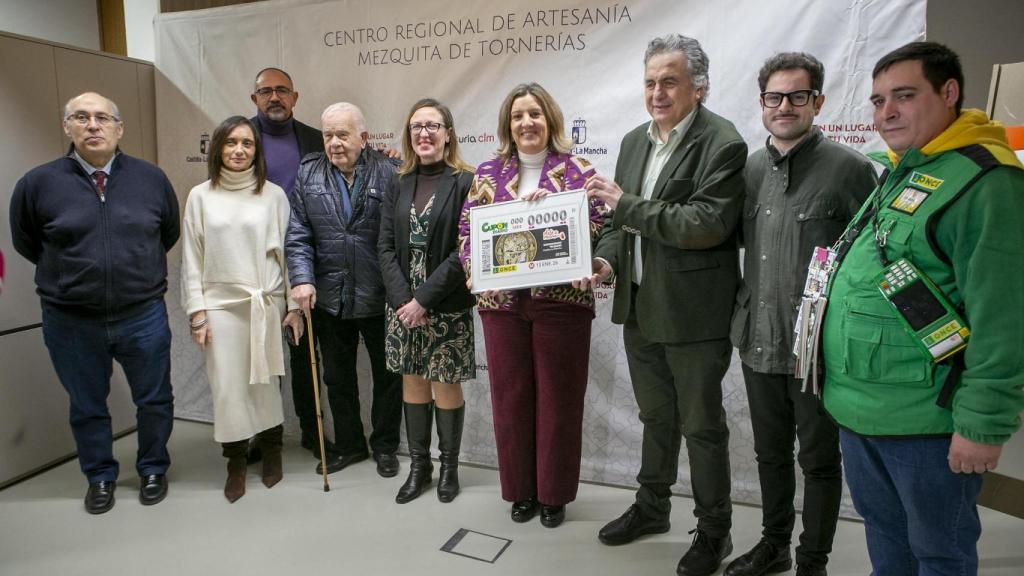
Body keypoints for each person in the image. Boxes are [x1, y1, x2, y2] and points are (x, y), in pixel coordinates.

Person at [821, 41, 1024, 576]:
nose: (886, 112)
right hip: (861, 412)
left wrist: (982, 425)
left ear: (949, 92)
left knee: (938, 554)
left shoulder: (986, 181)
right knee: (888, 543)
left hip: (926, 422)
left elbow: (1005, 318)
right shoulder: (902, 169)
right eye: (878, 100)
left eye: (904, 96)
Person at [582, 34, 746, 576]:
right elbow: (616, 225)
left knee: (701, 427)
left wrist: (626, 204)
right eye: (651, 82)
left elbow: (706, 224)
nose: (657, 92)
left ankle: (714, 531)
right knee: (656, 417)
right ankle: (652, 507)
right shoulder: (634, 141)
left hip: (694, 315)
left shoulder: (723, 142)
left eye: (669, 82)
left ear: (699, 87)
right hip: (640, 307)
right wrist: (605, 262)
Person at [724, 53, 876, 576]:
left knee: (818, 460)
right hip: (758, 339)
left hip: (817, 350)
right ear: (762, 103)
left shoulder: (851, 169)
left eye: (797, 96)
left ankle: (813, 561)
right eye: (775, 96)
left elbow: (870, 262)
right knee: (769, 454)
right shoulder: (748, 169)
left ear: (818, 102)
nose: (784, 106)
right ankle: (774, 547)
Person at [9, 92, 178, 514]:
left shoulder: (151, 179)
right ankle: (100, 476)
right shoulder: (37, 183)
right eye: (81, 117)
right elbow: (27, 242)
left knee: (155, 399)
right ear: (67, 127)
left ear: (119, 128)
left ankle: (153, 467)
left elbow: (167, 233)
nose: (93, 125)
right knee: (86, 405)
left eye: (102, 117)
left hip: (142, 313)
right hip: (71, 320)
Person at [458, 82, 604, 528]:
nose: (527, 123)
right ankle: (521, 491)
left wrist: (552, 210)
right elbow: (467, 231)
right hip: (501, 305)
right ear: (508, 124)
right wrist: (473, 269)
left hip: (562, 303)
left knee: (559, 401)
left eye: (535, 114)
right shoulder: (487, 173)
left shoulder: (578, 170)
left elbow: (600, 223)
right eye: (518, 115)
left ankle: (554, 495)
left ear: (549, 119)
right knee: (511, 400)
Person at [180, 115, 303, 502]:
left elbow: (289, 255)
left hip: (265, 302)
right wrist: (197, 313)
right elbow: (191, 258)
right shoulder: (200, 196)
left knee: (265, 385)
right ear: (218, 148)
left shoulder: (273, 195)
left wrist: (294, 307)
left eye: (247, 143)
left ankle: (271, 453)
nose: (239, 150)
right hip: (220, 307)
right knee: (228, 388)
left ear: (256, 150)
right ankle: (235, 461)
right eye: (231, 142)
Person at [286, 102, 403, 478]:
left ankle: (385, 446)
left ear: (364, 137)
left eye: (342, 134)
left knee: (388, 378)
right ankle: (350, 444)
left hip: (380, 295)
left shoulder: (391, 170)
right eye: (328, 135)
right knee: (337, 378)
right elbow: (298, 233)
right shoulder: (308, 172)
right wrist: (301, 279)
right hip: (330, 296)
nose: (334, 143)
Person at [379, 98, 476, 504]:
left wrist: (424, 299)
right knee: (413, 381)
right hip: (402, 306)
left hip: (445, 302)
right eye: (417, 126)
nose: (424, 133)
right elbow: (385, 246)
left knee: (445, 384)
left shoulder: (466, 181)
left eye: (433, 125)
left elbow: (463, 250)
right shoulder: (398, 181)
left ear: (447, 134)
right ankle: (420, 467)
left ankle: (449, 467)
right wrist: (405, 300)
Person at [248, 67, 332, 459]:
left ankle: (312, 432)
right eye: (265, 91)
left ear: (295, 97)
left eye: (282, 90)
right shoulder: (239, 138)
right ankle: (263, 435)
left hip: (306, 259)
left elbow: (347, 168)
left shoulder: (316, 140)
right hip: (256, 264)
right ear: (254, 99)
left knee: (304, 352)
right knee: (261, 355)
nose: (274, 97)